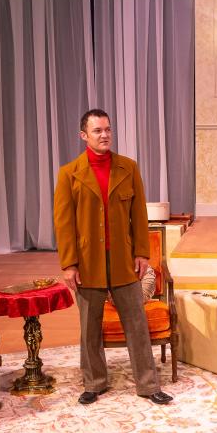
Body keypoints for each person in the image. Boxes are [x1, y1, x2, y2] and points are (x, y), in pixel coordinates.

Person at [53, 109, 173, 406]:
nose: (104, 134)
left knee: (136, 323)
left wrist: (142, 252)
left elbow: (138, 214)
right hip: (87, 262)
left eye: (107, 129)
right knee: (89, 326)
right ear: (84, 135)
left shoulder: (128, 168)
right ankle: (94, 382)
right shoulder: (69, 174)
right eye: (97, 131)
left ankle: (148, 385)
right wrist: (68, 263)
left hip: (123, 260)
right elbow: (64, 223)